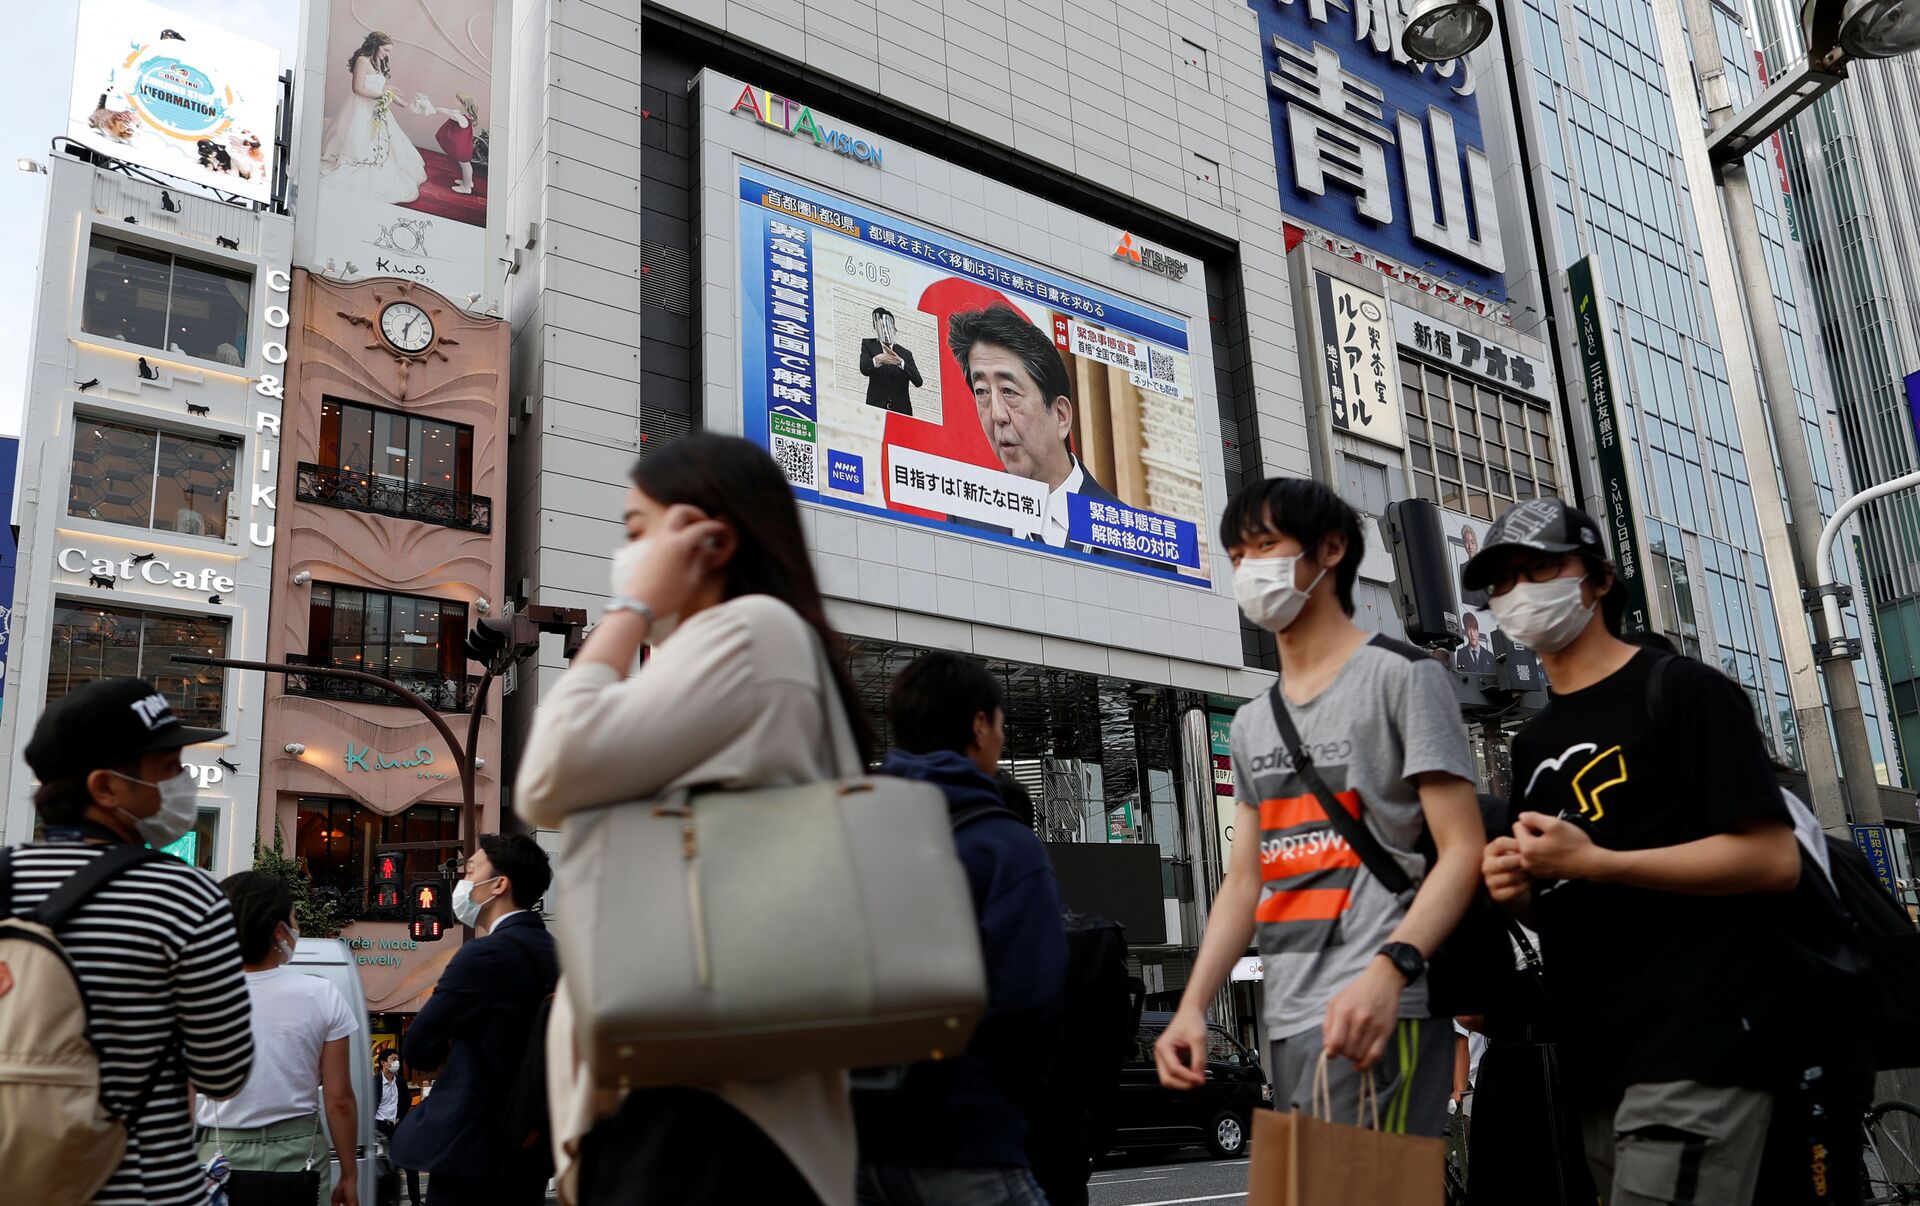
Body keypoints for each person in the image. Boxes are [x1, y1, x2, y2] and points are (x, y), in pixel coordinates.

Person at [516, 432, 876, 1205]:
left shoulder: (750, 633)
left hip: (709, 1110)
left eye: (640, 531)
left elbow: (548, 773)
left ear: (710, 540)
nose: (629, 553)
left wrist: (631, 608)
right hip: (709, 1098)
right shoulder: (745, 649)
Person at [1468, 496, 1801, 1206]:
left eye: (1541, 568)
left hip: (1696, 1045)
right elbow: (1562, 899)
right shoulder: (1533, 740)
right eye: (1501, 581)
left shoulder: (1683, 691)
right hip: (1592, 1060)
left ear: (1596, 580)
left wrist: (1598, 861)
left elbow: (1773, 860)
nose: (1519, 592)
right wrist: (1517, 887)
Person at [1153, 478, 1484, 1140]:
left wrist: (1392, 971)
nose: (1249, 569)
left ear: (1330, 550)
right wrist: (1191, 1006)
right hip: (1291, 1017)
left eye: (1266, 546)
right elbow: (1246, 880)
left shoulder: (1404, 677)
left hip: (1379, 1010)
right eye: (1237, 555)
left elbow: (1464, 848)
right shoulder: (1253, 722)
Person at [0, 677, 253, 1204]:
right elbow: (224, 1071)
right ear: (106, 788)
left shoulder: (5, 877)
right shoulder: (186, 895)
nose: (183, 781)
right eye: (166, 768)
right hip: (145, 1188)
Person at [854, 652, 1067, 1206]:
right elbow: (1032, 1005)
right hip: (967, 1134)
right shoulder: (1006, 846)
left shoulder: (846, 829)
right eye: (999, 722)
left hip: (850, 1143)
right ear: (980, 726)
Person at [390, 834, 557, 1206]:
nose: (463, 882)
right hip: (532, 1144)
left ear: (499, 884)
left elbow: (418, 1047)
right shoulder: (559, 955)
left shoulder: (484, 955)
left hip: (472, 1146)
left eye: (470, 871)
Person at [194, 872, 360, 1206]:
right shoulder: (321, 994)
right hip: (300, 1154)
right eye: (294, 917)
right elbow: (339, 1100)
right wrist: (349, 1176)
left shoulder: (198, 995)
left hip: (219, 1150)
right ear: (278, 930)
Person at [946, 305, 1124, 549]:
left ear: (1061, 416)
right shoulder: (968, 519)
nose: (997, 415)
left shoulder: (1132, 539)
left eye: (1009, 391)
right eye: (982, 392)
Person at [319, 31, 427, 203]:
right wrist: (385, 96)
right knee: (359, 140)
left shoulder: (377, 61)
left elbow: (374, 83)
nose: (387, 54)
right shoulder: (362, 60)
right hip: (361, 107)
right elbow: (358, 88)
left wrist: (389, 90)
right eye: (386, 50)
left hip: (375, 107)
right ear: (375, 46)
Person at [374, 1050, 421, 1206]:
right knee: (384, 1169)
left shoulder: (400, 1081)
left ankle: (416, 1201)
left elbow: (407, 1100)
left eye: (398, 1059)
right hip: (379, 1130)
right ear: (383, 1063)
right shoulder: (374, 1082)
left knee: (410, 1165)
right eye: (393, 1059)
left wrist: (399, 1117)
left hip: (396, 1128)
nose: (397, 1063)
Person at [859, 307, 923, 415]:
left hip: (901, 411)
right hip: (875, 409)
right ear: (875, 329)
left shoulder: (906, 354)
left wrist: (901, 363)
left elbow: (918, 382)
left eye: (888, 327)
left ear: (894, 329)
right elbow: (864, 369)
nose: (885, 330)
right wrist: (876, 360)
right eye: (881, 327)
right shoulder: (868, 345)